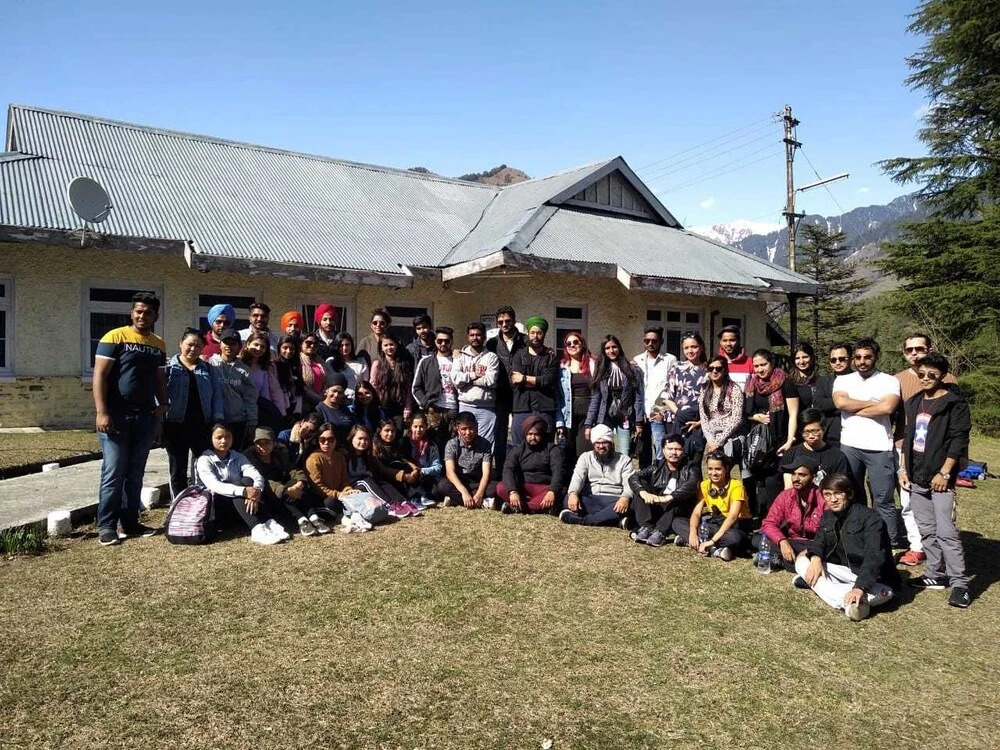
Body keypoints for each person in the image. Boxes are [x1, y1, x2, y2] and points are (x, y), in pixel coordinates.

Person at [92, 291, 169, 545]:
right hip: (116, 415)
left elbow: (159, 380)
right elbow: (100, 376)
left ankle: (130, 522)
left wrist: (163, 406)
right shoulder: (114, 337)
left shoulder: (158, 344)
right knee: (114, 473)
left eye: (148, 312)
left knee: (135, 474)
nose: (142, 316)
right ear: (132, 312)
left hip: (145, 416)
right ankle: (106, 526)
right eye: (138, 311)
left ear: (156, 316)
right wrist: (102, 412)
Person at [899, 353, 972, 608]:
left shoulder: (954, 404)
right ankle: (935, 573)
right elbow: (908, 438)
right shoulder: (914, 402)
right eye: (922, 374)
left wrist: (945, 472)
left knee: (946, 532)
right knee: (927, 530)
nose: (926, 378)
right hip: (916, 476)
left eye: (932, 374)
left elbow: (959, 440)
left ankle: (960, 583)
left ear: (942, 375)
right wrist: (903, 469)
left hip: (940, 478)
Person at [796, 473, 900, 621]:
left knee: (885, 592)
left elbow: (874, 556)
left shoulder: (871, 518)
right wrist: (815, 558)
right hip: (846, 572)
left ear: (849, 494)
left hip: (874, 580)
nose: (833, 499)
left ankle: (843, 599)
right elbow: (819, 542)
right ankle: (847, 599)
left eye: (838, 493)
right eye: (827, 494)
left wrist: (860, 587)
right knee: (802, 561)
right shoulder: (827, 516)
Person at [833, 338, 904, 548]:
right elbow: (840, 402)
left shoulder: (889, 381)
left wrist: (854, 408)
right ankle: (858, 538)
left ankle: (888, 544)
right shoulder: (843, 380)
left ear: (876, 357)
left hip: (879, 446)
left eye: (867, 357)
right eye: (858, 357)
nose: (862, 361)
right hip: (850, 445)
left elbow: (888, 408)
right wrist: (872, 404)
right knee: (852, 495)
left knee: (883, 498)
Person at [893, 333, 957, 567]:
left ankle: (944, 552)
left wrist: (955, 463)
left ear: (929, 350)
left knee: (941, 506)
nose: (914, 353)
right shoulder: (897, 379)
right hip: (906, 449)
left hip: (938, 454)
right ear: (904, 353)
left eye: (919, 348)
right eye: (909, 350)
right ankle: (917, 547)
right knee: (909, 502)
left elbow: (958, 428)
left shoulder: (948, 380)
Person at [195, 423, 289, 545]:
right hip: (216, 507)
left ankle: (268, 522)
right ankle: (256, 528)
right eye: (219, 437)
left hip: (238, 506)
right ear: (211, 438)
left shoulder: (238, 456)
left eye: (228, 437)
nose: (224, 441)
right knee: (240, 485)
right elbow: (214, 485)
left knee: (248, 481)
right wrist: (244, 491)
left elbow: (255, 474)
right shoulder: (204, 459)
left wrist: (256, 491)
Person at [163, 328, 224, 500]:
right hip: (175, 424)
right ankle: (179, 504)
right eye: (189, 344)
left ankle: (201, 503)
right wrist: (159, 422)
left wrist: (218, 420)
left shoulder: (208, 369)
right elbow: (159, 395)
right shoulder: (169, 368)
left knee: (203, 466)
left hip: (201, 425)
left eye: (198, 346)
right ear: (180, 344)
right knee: (178, 468)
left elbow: (217, 395)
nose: (193, 349)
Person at [744, 348, 800, 518]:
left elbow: (793, 414)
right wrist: (756, 417)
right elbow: (746, 412)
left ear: (772, 363)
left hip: (779, 439)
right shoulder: (751, 384)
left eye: (763, 364)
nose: (760, 369)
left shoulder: (785, 383)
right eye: (756, 366)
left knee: (773, 482)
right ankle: (763, 518)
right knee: (759, 481)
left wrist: (789, 440)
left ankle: (777, 518)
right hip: (758, 442)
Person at [245, 426, 331, 536]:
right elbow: (264, 481)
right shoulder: (251, 460)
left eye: (267, 443)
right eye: (259, 444)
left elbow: (293, 470)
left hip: (286, 490)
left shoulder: (280, 454)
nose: (263, 447)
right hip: (269, 495)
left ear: (273, 443)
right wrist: (286, 490)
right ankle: (301, 519)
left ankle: (313, 517)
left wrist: (300, 483)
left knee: (296, 484)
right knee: (285, 491)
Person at [674, 451, 750, 561]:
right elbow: (696, 513)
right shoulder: (704, 485)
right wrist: (693, 533)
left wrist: (712, 541)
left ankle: (704, 544)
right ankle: (712, 548)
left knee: (735, 538)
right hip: (715, 524)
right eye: (710, 469)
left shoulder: (736, 486)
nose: (713, 473)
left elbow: (732, 517)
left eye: (718, 469)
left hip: (734, 526)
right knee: (677, 522)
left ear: (726, 469)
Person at [628, 433, 700, 548]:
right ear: (663, 450)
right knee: (642, 486)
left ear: (683, 450)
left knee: (677, 501)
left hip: (679, 509)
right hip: (658, 506)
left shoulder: (691, 467)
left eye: (678, 449)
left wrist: (667, 498)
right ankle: (646, 526)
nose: (674, 453)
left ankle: (660, 532)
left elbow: (691, 484)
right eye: (670, 449)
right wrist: (643, 492)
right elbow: (634, 477)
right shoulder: (657, 466)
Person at [760, 454, 826, 572]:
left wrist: (812, 550)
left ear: (813, 477)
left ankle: (785, 561)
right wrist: (782, 541)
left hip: (816, 544)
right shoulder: (786, 496)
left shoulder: (823, 498)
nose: (796, 478)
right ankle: (791, 561)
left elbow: (829, 532)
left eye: (802, 475)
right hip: (793, 541)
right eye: (793, 474)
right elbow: (769, 523)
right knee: (759, 540)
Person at [560, 424, 635, 528]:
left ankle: (583, 520)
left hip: (614, 500)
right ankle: (613, 520)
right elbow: (578, 477)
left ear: (611, 443)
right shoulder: (586, 457)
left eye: (604, 442)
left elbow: (629, 483)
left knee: (631, 504)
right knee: (568, 498)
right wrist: (573, 493)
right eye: (597, 443)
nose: (601, 446)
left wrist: (625, 497)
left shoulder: (624, 460)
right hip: (591, 498)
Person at [585, 334, 645, 457]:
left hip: (625, 416)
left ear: (619, 348)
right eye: (607, 348)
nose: (611, 351)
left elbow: (638, 398)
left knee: (624, 452)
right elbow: (595, 399)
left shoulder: (632, 369)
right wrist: (589, 423)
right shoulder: (601, 370)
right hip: (605, 416)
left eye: (614, 347)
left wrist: (638, 422)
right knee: (604, 451)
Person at [342, 424, 412, 521]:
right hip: (354, 486)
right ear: (351, 439)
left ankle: (402, 502)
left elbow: (384, 470)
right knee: (365, 480)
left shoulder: (369, 456)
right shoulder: (344, 456)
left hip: (368, 485)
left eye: (366, 439)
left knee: (381, 482)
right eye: (360, 438)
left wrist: (402, 475)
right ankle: (389, 505)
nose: (363, 442)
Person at [497, 415, 565, 514]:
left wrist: (552, 491)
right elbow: (508, 470)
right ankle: (537, 507)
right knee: (500, 487)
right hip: (522, 487)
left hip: (544, 488)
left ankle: (519, 507)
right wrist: (513, 491)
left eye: (536, 434)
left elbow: (558, 471)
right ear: (525, 434)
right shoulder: (517, 450)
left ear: (542, 434)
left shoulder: (552, 450)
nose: (533, 438)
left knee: (559, 492)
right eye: (530, 434)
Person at [487, 306, 527, 470]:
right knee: (500, 434)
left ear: (514, 321)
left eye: (508, 321)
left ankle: (521, 468)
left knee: (520, 433)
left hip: (521, 393)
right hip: (501, 393)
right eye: (501, 322)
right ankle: (500, 471)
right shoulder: (492, 343)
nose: (504, 324)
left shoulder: (525, 341)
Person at [632, 326, 677, 466]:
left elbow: (670, 388)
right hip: (641, 413)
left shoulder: (670, 360)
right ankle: (645, 477)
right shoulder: (637, 360)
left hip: (658, 412)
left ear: (661, 341)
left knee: (660, 449)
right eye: (647, 341)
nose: (650, 343)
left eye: (654, 341)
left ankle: (660, 476)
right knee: (643, 450)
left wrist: (660, 410)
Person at [659, 332, 708, 461]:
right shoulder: (677, 368)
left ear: (701, 347)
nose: (690, 351)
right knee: (675, 459)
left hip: (698, 423)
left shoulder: (709, 371)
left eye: (694, 347)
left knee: (694, 461)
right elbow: (667, 397)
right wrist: (679, 413)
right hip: (677, 421)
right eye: (686, 348)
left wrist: (701, 422)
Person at [510, 316, 560, 443]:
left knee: (546, 446)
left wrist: (524, 378)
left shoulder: (551, 357)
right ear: (528, 333)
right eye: (532, 332)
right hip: (522, 407)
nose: (535, 336)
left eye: (539, 333)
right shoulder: (519, 355)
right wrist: (539, 381)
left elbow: (548, 381)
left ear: (544, 334)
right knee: (519, 446)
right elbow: (516, 380)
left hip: (544, 408)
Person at [452, 322, 500, 449]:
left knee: (486, 443)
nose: (475, 338)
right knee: (465, 442)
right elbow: (456, 380)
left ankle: (485, 463)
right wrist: (474, 375)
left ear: (484, 336)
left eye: (478, 335)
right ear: (468, 337)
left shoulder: (491, 357)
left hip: (487, 407)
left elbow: (491, 381)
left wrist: (468, 381)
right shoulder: (460, 356)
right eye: (472, 335)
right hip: (466, 405)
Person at [209, 328, 258, 449]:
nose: (229, 346)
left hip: (237, 421)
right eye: (226, 342)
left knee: (235, 454)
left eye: (233, 343)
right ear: (220, 344)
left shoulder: (244, 370)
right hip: (215, 420)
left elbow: (250, 399)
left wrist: (252, 422)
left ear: (239, 346)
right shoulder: (210, 365)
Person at [438, 411, 497, 509]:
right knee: (443, 486)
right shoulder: (451, 444)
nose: (468, 433)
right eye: (464, 429)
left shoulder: (485, 444)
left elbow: (486, 473)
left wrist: (480, 493)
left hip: (476, 480)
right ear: (458, 428)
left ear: (476, 427)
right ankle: (481, 502)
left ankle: (456, 500)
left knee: (495, 487)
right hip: (459, 480)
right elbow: (450, 472)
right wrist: (464, 492)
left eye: (471, 428)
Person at [556, 331, 597, 469]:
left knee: (585, 452)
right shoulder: (562, 367)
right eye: (568, 343)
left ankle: (585, 480)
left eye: (575, 342)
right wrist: (559, 421)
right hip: (569, 414)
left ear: (582, 344)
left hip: (588, 415)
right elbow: (558, 396)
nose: (572, 345)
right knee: (568, 452)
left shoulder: (593, 364)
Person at [780, 408, 849, 488]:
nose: (811, 436)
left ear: (824, 430)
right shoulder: (791, 453)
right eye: (806, 432)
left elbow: (839, 486)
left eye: (815, 431)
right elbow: (788, 487)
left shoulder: (837, 456)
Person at [371, 419, 423, 516]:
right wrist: (403, 476)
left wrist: (415, 468)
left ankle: (417, 497)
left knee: (403, 466)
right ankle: (407, 500)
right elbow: (381, 468)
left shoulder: (395, 445)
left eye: (393, 431)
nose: (390, 434)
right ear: (380, 431)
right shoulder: (374, 447)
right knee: (396, 466)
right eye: (387, 431)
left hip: (396, 475)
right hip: (383, 477)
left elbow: (403, 459)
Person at [698, 356, 745, 462]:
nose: (714, 371)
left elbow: (737, 419)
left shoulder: (734, 390)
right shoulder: (704, 391)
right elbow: (704, 419)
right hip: (711, 438)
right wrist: (711, 441)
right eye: (711, 368)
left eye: (718, 368)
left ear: (725, 370)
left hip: (730, 437)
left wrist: (719, 441)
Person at [241, 330, 289, 432]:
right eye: (256, 344)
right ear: (248, 344)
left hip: (256, 408)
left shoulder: (264, 368)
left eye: (262, 347)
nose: (259, 349)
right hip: (239, 407)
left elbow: (265, 394)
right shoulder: (239, 363)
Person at [412, 326, 459, 423]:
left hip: (454, 409)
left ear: (452, 341)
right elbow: (416, 387)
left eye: (447, 341)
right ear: (435, 341)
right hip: (433, 409)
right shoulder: (426, 361)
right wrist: (425, 404)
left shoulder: (459, 360)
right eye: (440, 341)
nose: (443, 344)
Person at [370, 334, 415, 429]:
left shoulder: (404, 364)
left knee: (397, 433)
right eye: (385, 345)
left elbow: (408, 389)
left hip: (399, 407)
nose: (389, 347)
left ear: (396, 345)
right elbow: (373, 386)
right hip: (381, 407)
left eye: (391, 344)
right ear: (381, 348)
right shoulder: (377, 365)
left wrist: (408, 408)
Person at [812, 342, 852, 447]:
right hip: (830, 435)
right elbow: (818, 404)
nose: (837, 363)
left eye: (842, 359)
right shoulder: (823, 381)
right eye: (833, 360)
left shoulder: (860, 380)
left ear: (851, 359)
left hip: (854, 435)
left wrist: (831, 405)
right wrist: (845, 403)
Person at [401, 411, 443, 508]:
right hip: (411, 475)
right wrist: (415, 470)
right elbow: (402, 459)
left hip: (426, 475)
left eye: (421, 426)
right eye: (415, 426)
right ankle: (415, 498)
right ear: (411, 427)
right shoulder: (404, 443)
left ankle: (424, 497)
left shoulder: (431, 445)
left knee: (436, 486)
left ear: (426, 427)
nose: (418, 430)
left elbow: (438, 467)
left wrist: (423, 471)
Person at [314, 375, 355, 445]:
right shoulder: (319, 409)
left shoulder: (346, 410)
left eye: (340, 392)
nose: (336, 395)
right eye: (334, 391)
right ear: (326, 391)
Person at [299, 332, 334, 414]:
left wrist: (325, 396)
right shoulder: (297, 360)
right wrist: (319, 399)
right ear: (301, 344)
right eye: (308, 343)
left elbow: (327, 380)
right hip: (306, 405)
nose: (312, 345)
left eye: (315, 344)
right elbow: (302, 387)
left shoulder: (319, 360)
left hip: (322, 402)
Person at [274, 335, 305, 422]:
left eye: (291, 349)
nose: (288, 351)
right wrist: (284, 413)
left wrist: (297, 411)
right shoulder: (274, 366)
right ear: (279, 348)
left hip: (295, 408)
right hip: (280, 409)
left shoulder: (297, 366)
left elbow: (299, 390)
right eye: (285, 348)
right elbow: (275, 391)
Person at [789, 342, 818, 412]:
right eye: (797, 358)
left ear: (812, 358)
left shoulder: (820, 381)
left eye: (805, 357)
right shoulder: (789, 382)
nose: (801, 362)